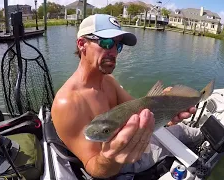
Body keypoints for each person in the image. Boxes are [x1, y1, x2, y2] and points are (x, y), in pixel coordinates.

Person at [51, 14, 203, 179]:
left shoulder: (109, 81)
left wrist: (166, 111)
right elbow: (93, 167)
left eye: (118, 46)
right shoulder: (67, 103)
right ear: (82, 44)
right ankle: (204, 146)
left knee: (179, 129)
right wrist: (111, 158)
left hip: (136, 140)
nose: (114, 52)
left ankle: (201, 137)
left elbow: (140, 108)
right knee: (182, 135)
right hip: (122, 166)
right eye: (107, 43)